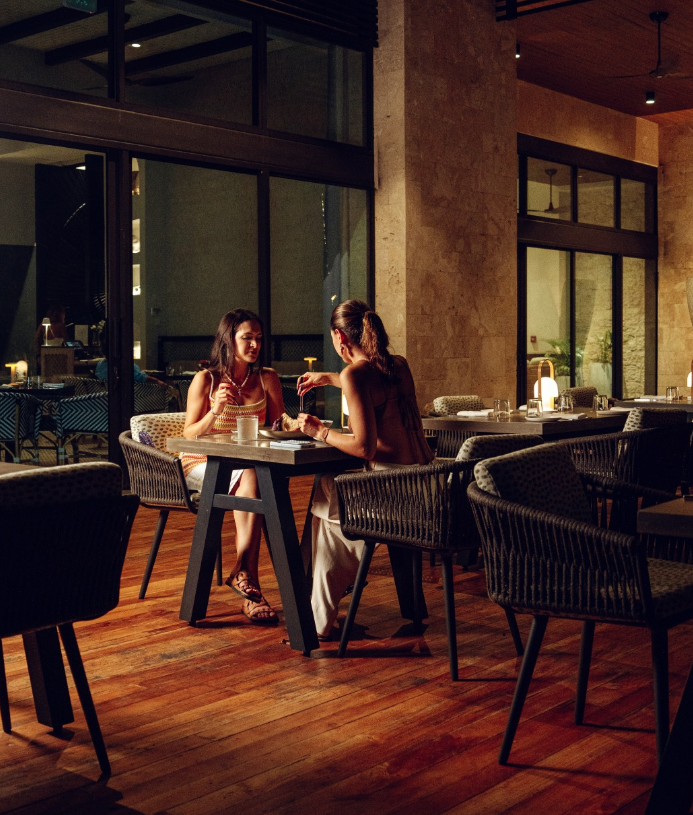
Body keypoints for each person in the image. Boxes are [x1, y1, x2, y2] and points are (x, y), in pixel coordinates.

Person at [296, 299, 434, 640]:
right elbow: (373, 383)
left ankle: (318, 615)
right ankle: (320, 602)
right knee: (327, 492)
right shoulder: (398, 365)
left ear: (341, 338)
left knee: (325, 500)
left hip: (393, 496)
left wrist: (319, 431)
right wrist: (329, 377)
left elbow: (365, 447)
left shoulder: (355, 374)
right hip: (426, 487)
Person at [181, 309, 284, 625]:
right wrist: (216, 410)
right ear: (229, 339)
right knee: (255, 481)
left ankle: (245, 577)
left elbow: (279, 424)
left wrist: (299, 424)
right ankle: (248, 578)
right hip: (202, 464)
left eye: (258, 339)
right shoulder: (207, 380)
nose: (255, 345)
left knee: (255, 477)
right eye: (247, 338)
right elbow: (188, 435)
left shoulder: (267, 378)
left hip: (246, 465)